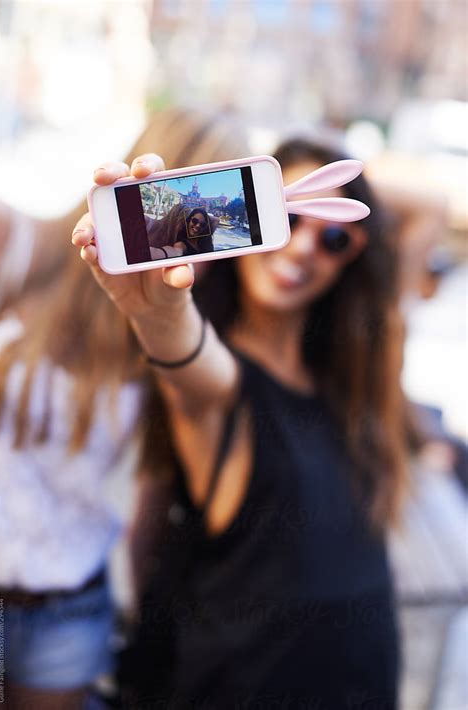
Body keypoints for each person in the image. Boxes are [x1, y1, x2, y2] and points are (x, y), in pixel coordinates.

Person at [72, 138, 413, 709]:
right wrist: (157, 312)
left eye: (332, 236)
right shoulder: (220, 378)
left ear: (354, 255)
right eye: (288, 218)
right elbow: (187, 364)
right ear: (253, 215)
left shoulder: (355, 378)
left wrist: (298, 191)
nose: (303, 247)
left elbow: (430, 206)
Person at [0, 106, 247, 710]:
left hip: (67, 607)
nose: (190, 221)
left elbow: (156, 489)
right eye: (185, 195)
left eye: (213, 208)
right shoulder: (27, 246)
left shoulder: (179, 319)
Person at [145, 204, 218, 260]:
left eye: (202, 224)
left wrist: (199, 212)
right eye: (193, 221)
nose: (197, 226)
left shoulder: (173, 237)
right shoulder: (147, 223)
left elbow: (215, 220)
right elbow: (176, 252)